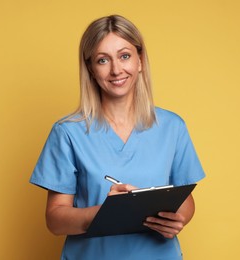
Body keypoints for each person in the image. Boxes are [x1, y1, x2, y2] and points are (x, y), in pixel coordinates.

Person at [30, 14, 205, 260]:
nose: (116, 70)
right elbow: (55, 220)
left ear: (140, 60)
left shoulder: (172, 126)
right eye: (103, 60)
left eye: (124, 56)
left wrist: (178, 219)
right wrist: (106, 213)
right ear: (90, 68)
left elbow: (186, 202)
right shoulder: (68, 133)